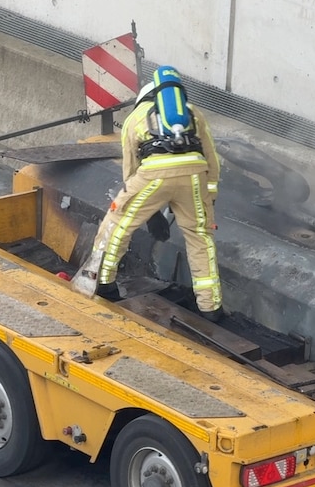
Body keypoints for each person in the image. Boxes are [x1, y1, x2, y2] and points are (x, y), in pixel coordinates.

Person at [78, 66, 224, 321]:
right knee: (200, 238)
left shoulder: (136, 118)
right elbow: (212, 159)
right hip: (194, 177)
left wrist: (150, 211)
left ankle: (104, 283)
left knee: (118, 223)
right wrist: (208, 196)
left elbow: (131, 170)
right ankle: (211, 307)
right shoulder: (194, 114)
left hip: (153, 176)